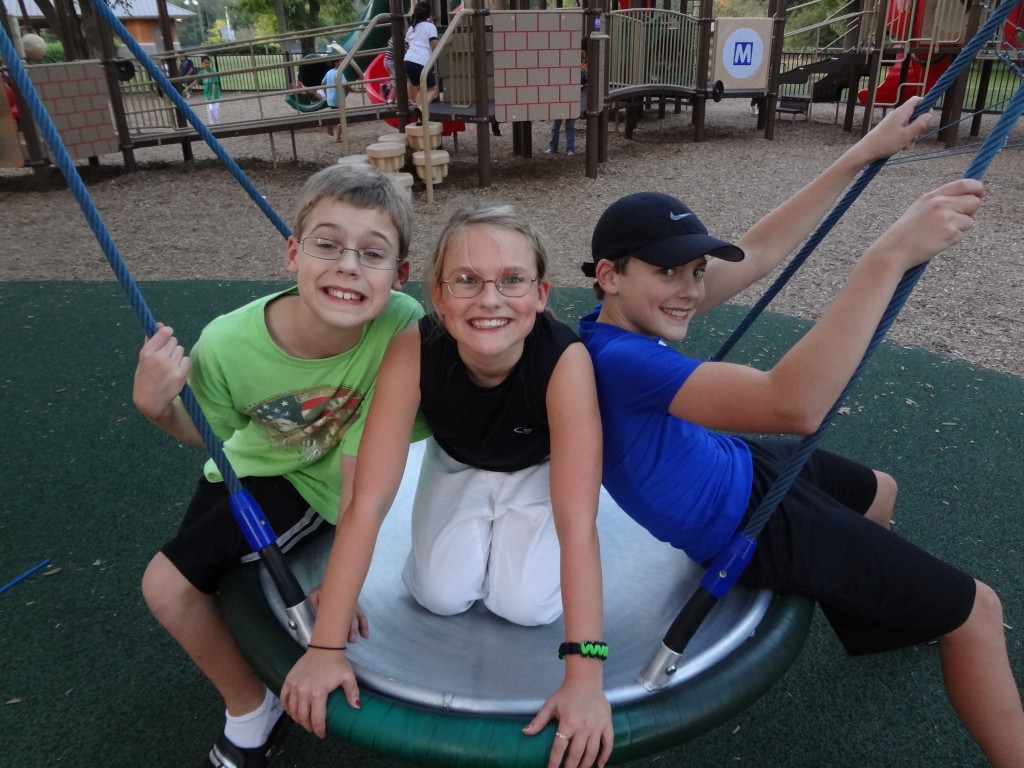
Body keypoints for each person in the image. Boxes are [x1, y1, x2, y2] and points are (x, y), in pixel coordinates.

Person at [577, 100, 1024, 766]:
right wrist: (888, 256)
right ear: (610, 276)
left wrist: (863, 152)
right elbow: (794, 405)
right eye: (666, 270)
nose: (688, 290)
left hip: (739, 466)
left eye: (695, 271)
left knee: (879, 491)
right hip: (750, 525)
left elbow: (758, 251)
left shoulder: (622, 317)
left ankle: (880, 615)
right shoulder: (619, 361)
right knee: (979, 611)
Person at [281, 199, 614, 768]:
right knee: (437, 594)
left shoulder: (564, 361)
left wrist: (585, 679)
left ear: (540, 294)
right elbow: (368, 501)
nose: (490, 299)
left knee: (528, 606)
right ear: (438, 296)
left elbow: (577, 523)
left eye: (512, 280)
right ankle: (466, 531)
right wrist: (326, 645)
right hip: (456, 464)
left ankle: (504, 538)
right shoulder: (415, 348)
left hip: (537, 471)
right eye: (466, 280)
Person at [132, 164, 429, 768]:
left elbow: (362, 487)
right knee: (198, 583)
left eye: (373, 253)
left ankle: (251, 710)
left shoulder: (400, 328)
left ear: (399, 276)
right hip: (240, 469)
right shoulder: (227, 342)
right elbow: (207, 434)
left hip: (310, 487)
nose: (349, 266)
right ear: (293, 254)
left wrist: (342, 583)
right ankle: (250, 680)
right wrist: (156, 408)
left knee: (166, 585)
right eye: (328, 244)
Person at [547, 45, 587, 156]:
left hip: (569, 98)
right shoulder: (568, 69)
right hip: (563, 98)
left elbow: (584, 79)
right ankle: (558, 147)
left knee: (566, 125)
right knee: (558, 124)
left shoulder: (582, 69)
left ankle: (567, 148)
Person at [403, 0, 439, 108]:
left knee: (421, 89)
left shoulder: (412, 28)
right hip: (421, 62)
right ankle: (420, 108)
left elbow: (407, 44)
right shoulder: (429, 26)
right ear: (429, 14)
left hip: (408, 61)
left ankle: (420, 115)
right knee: (433, 90)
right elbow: (434, 43)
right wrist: (447, 41)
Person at [321, 43, 349, 142]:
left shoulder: (329, 72)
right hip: (338, 99)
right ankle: (337, 137)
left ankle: (329, 125)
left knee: (336, 116)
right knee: (342, 118)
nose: (341, 63)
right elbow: (345, 84)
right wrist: (354, 90)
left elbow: (322, 83)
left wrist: (326, 93)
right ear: (336, 63)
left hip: (331, 98)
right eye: (340, 61)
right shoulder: (339, 72)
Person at [198, 55, 222, 125]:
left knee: (212, 110)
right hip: (207, 95)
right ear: (202, 64)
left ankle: (216, 124)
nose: (207, 64)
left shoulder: (213, 72)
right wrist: (188, 87)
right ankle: (212, 125)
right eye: (205, 63)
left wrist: (213, 96)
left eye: (208, 63)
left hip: (215, 95)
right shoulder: (201, 72)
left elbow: (214, 83)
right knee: (209, 111)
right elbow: (197, 80)